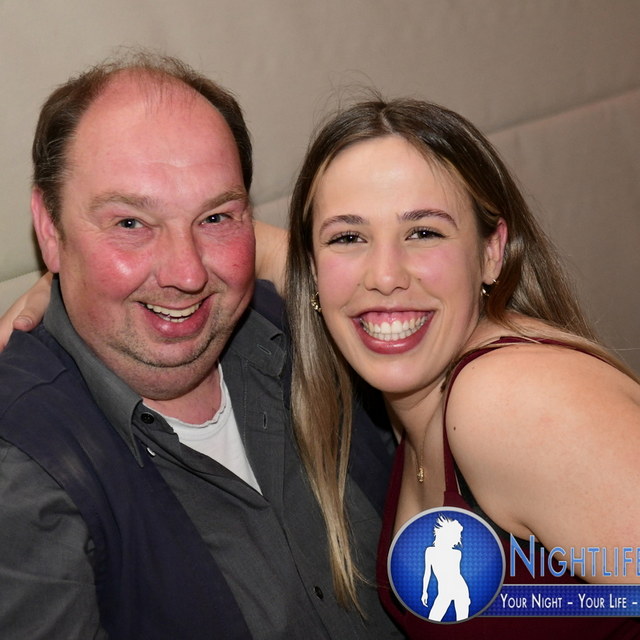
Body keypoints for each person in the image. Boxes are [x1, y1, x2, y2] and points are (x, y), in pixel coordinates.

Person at [0, 54, 402, 639]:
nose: (187, 274)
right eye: (131, 224)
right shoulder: (20, 465)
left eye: (215, 217)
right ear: (49, 228)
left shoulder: (321, 335)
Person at [283, 98, 640, 637]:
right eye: (348, 237)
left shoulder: (507, 401)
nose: (384, 276)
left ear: (492, 252)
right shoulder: (423, 398)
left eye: (424, 232)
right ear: (313, 269)